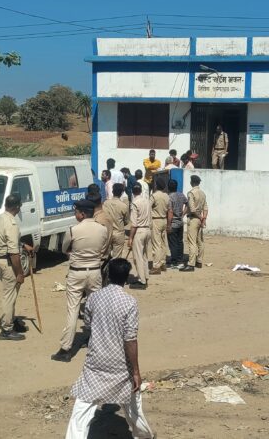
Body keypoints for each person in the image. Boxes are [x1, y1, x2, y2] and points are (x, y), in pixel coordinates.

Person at [64, 259, 154, 439]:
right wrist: (136, 371)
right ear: (126, 278)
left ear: (107, 275)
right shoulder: (129, 302)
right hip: (120, 364)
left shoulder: (93, 298)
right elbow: (130, 339)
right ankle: (144, 435)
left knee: (82, 407)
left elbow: (88, 325)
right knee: (133, 405)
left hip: (96, 361)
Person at [53, 199, 110, 363]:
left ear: (82, 214)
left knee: (73, 310)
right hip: (95, 271)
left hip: (76, 272)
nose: (75, 214)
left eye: (76, 211)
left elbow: (64, 248)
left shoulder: (73, 230)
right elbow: (103, 248)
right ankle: (97, 342)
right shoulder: (102, 229)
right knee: (96, 309)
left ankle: (65, 349)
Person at [0, 195, 28, 341]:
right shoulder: (11, 223)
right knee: (10, 295)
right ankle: (7, 329)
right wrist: (20, 273)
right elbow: (13, 253)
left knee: (11, 293)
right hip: (7, 262)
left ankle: (11, 320)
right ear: (17, 207)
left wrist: (23, 245)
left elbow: (7, 241)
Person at [127, 183, 152, 287]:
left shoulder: (134, 203)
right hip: (147, 230)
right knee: (144, 255)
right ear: (141, 190)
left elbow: (134, 224)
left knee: (138, 257)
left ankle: (141, 280)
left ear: (132, 192)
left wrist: (130, 238)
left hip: (139, 231)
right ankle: (145, 276)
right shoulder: (147, 201)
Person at [181, 175, 207, 272]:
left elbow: (191, 209)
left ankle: (191, 264)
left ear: (192, 182)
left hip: (193, 218)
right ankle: (199, 261)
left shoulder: (191, 193)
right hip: (200, 219)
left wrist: (199, 217)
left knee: (192, 242)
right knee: (200, 241)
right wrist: (203, 219)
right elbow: (205, 208)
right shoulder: (202, 193)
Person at [101, 183, 130, 260]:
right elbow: (126, 221)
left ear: (112, 191)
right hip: (118, 233)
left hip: (107, 232)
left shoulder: (106, 203)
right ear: (121, 193)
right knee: (117, 257)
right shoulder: (123, 206)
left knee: (106, 255)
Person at [148, 179, 170, 275]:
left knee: (156, 244)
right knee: (163, 243)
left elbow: (148, 207)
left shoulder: (154, 196)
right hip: (164, 219)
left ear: (156, 186)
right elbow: (169, 209)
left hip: (156, 220)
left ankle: (156, 266)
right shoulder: (166, 196)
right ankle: (163, 263)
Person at [166, 179, 187, 269]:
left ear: (168, 187)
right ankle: (180, 260)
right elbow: (188, 204)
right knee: (179, 242)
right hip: (180, 222)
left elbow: (170, 211)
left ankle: (174, 261)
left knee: (173, 243)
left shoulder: (169, 197)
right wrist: (183, 214)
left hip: (173, 223)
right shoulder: (181, 195)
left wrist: (168, 225)